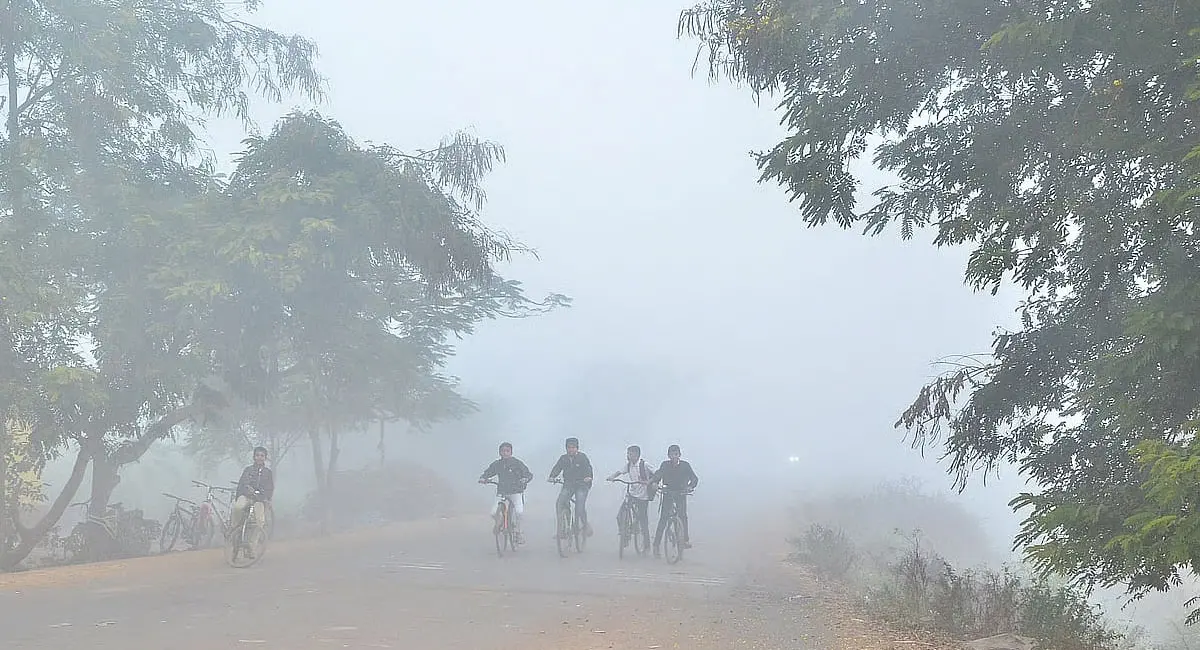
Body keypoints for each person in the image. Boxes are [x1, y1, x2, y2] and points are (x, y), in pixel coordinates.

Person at [478, 442, 534, 544]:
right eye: (503, 451)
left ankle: (518, 533)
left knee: (519, 512)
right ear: (500, 452)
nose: (505, 453)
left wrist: (525, 479)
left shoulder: (517, 463)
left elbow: (528, 474)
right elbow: (488, 472)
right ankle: (499, 522)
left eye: (507, 451)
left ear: (511, 452)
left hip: (516, 492)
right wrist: (483, 478)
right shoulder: (497, 464)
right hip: (502, 492)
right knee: (493, 513)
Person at [649, 444, 698, 557]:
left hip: (681, 493)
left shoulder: (685, 466)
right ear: (668, 455)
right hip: (668, 492)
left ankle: (685, 540)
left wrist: (690, 486)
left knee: (683, 516)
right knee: (663, 519)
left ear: (679, 455)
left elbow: (694, 478)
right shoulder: (665, 465)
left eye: (676, 454)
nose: (674, 456)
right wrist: (655, 482)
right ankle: (656, 545)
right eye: (672, 454)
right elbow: (658, 474)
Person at [606, 444, 653, 554]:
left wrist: (650, 482)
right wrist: (612, 477)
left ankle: (646, 546)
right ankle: (625, 536)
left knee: (643, 521)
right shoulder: (629, 465)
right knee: (620, 515)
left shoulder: (644, 465)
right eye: (628, 453)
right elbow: (619, 472)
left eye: (630, 453)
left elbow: (657, 474)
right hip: (632, 494)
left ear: (637, 454)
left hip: (643, 496)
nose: (628, 455)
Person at [231, 446, 274, 558]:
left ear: (265, 458)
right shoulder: (248, 470)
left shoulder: (268, 473)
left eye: (262, 456)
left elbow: (269, 489)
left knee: (260, 521)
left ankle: (251, 547)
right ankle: (234, 529)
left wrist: (265, 498)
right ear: (254, 457)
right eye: (257, 455)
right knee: (238, 507)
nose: (259, 458)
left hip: (259, 500)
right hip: (246, 497)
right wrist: (247, 491)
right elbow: (242, 484)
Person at [547, 437, 594, 538]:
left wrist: (588, 477)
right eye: (569, 447)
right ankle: (563, 529)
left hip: (582, 485)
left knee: (579, 506)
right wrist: (552, 477)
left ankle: (585, 525)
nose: (571, 449)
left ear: (577, 448)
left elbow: (588, 469)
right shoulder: (563, 458)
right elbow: (557, 468)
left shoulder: (582, 457)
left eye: (573, 447)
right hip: (568, 485)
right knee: (560, 502)